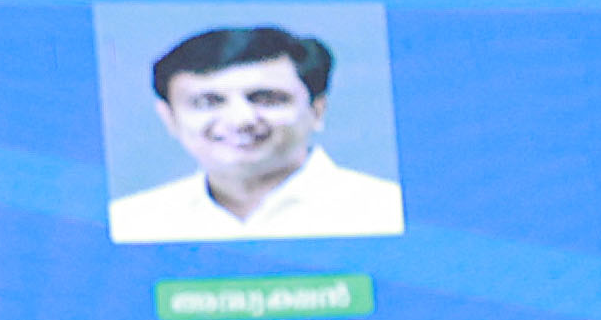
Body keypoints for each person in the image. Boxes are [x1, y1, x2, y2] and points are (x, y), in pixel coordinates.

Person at [103, 25, 404, 242]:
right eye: (208, 102)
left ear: (317, 110)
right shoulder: (131, 222)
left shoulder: (386, 209)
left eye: (267, 99)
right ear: (169, 118)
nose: (241, 120)